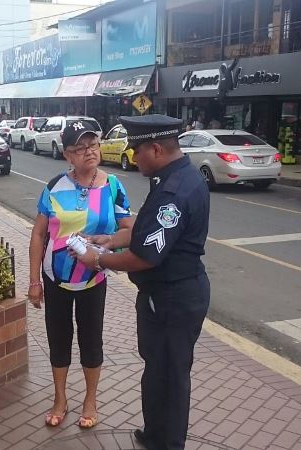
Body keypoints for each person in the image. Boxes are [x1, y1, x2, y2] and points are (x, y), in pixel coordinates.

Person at [73, 114, 211, 450]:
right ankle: (154, 434)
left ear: (156, 149)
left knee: (172, 376)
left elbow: (146, 256)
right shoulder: (171, 178)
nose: (133, 158)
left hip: (174, 299)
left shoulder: (175, 192)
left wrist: (98, 259)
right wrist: (110, 239)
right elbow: (146, 229)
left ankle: (169, 443)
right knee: (157, 368)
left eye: (137, 150)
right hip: (160, 297)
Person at [28, 119, 134, 430]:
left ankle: (90, 400)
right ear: (67, 155)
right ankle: (60, 399)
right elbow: (38, 235)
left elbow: (130, 230)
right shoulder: (54, 187)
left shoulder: (113, 186)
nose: (89, 152)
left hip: (93, 278)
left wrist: (107, 244)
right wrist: (34, 281)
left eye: (93, 145)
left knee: (91, 340)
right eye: (80, 148)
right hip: (56, 278)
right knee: (58, 340)